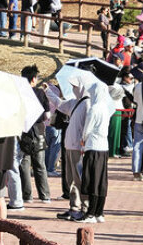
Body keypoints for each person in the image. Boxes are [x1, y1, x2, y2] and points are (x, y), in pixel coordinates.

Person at [11, 65, 51, 210]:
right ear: (34, 78)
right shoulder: (40, 93)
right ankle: (45, 195)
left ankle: (26, 195)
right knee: (40, 165)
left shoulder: (18, 93)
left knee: (24, 164)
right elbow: (47, 115)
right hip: (38, 131)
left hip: (23, 131)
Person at [78, 79, 115, 223]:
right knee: (101, 180)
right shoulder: (106, 108)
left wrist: (83, 139)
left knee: (92, 179)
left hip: (93, 146)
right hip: (103, 147)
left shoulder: (94, 109)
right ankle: (99, 212)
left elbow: (87, 129)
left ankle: (91, 213)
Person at [54, 78, 91, 221]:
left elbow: (88, 126)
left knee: (79, 179)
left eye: (75, 86)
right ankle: (74, 207)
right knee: (70, 179)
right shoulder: (75, 102)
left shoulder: (87, 103)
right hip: (69, 146)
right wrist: (48, 92)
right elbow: (60, 105)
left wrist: (84, 144)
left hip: (78, 147)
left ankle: (85, 207)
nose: (73, 89)